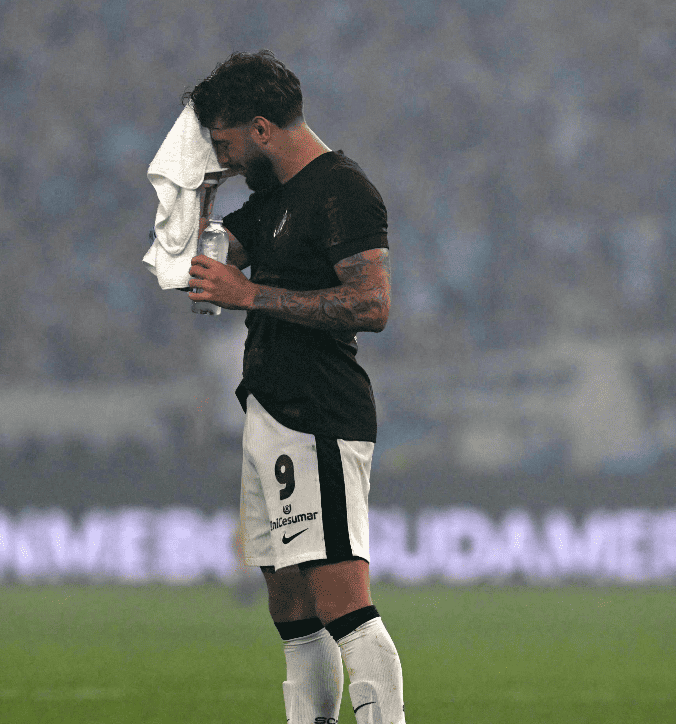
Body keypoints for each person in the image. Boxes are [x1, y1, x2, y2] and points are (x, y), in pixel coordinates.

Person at [181, 50, 406, 724]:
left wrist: (251, 295)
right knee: (290, 607)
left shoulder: (341, 189)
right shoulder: (271, 200)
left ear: (260, 127)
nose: (219, 153)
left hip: (321, 415)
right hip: (272, 414)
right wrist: (204, 186)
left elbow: (372, 306)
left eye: (223, 142)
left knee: (342, 601)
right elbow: (193, 272)